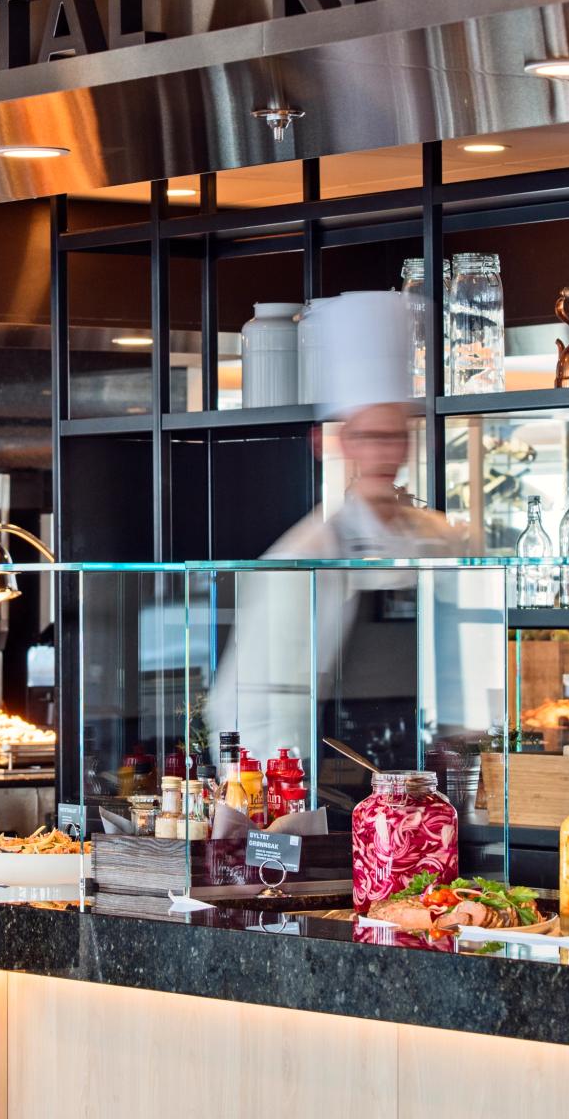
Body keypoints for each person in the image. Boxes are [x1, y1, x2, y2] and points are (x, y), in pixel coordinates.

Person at [203, 292, 485, 822]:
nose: (386, 454)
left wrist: (465, 757)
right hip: (325, 792)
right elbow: (246, 704)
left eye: (396, 437)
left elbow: (459, 670)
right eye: (371, 438)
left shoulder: (440, 540)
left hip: (427, 786)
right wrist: (281, 811)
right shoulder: (302, 555)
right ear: (334, 443)